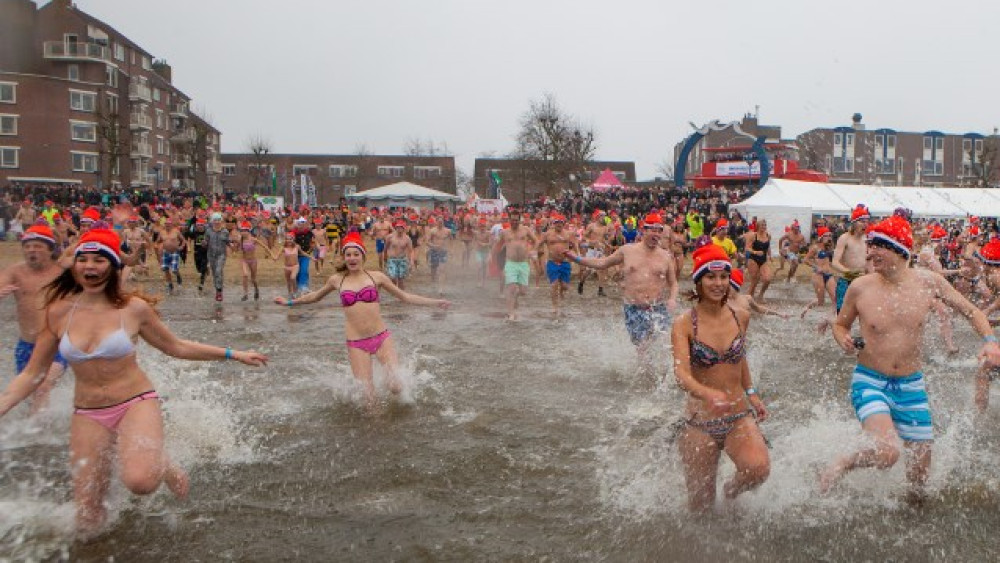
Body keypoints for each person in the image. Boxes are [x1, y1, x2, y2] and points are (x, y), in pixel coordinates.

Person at [0, 228, 268, 538]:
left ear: (113, 266)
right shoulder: (58, 312)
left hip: (134, 403)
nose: (89, 267)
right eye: (82, 260)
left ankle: (162, 463)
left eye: (99, 260)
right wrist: (4, 403)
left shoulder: (133, 309)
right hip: (87, 412)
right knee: (88, 517)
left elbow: (176, 347)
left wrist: (233, 354)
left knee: (140, 481)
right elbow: (33, 373)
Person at [818, 215, 1000, 502]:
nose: (870, 251)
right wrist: (843, 339)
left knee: (919, 482)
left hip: (911, 385)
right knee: (887, 453)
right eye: (870, 245)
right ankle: (845, 461)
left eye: (879, 246)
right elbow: (840, 324)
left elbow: (973, 312)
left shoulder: (929, 283)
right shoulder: (861, 287)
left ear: (900, 249)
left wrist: (990, 342)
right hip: (870, 381)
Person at [274, 233, 449, 412]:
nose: (352, 258)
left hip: (381, 338)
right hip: (357, 343)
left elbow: (405, 296)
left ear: (363, 256)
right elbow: (315, 296)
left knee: (396, 387)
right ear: (344, 257)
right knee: (368, 400)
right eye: (348, 254)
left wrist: (435, 303)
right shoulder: (337, 280)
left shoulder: (377, 277)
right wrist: (290, 302)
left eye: (356, 254)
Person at [671, 243, 769, 513]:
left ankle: (731, 492)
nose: (718, 283)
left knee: (758, 469)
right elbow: (680, 373)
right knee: (700, 509)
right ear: (699, 281)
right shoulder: (684, 323)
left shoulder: (741, 316)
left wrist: (751, 393)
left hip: (738, 415)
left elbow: (740, 360)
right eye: (710, 277)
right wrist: (707, 393)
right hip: (699, 422)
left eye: (724, 277)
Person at [566, 213, 679, 370]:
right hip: (633, 308)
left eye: (659, 231)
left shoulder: (665, 256)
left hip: (658, 308)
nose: (657, 234)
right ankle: (644, 376)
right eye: (653, 230)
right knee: (642, 347)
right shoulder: (627, 251)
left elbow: (673, 283)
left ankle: (653, 375)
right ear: (643, 230)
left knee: (659, 345)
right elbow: (603, 263)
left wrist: (672, 299)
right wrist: (577, 259)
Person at [0, 225, 69, 413]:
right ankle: (34, 433)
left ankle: (38, 433)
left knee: (44, 386)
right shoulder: (15, 272)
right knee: (27, 393)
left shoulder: (62, 272)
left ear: (50, 249)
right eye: (28, 246)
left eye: (38, 246)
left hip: (57, 344)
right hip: (27, 344)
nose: (32, 250)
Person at [537, 213, 579, 316]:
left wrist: (578, 256)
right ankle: (555, 306)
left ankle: (561, 292)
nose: (559, 225)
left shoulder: (568, 234)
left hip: (565, 262)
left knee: (565, 286)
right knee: (554, 285)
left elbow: (575, 244)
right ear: (553, 224)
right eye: (557, 223)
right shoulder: (547, 234)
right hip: (552, 262)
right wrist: (538, 252)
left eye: (560, 223)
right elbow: (539, 243)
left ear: (563, 223)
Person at [800, 227, 836, 318]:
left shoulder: (830, 247)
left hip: (829, 275)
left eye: (830, 236)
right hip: (818, 275)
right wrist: (816, 267)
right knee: (821, 302)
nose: (829, 238)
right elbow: (805, 260)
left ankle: (832, 318)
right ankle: (806, 307)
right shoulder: (815, 248)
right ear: (821, 237)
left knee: (836, 298)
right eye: (826, 236)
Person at [743, 219, 773, 303]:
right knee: (754, 281)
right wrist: (755, 252)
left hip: (763, 260)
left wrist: (770, 255)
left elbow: (768, 246)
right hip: (753, 259)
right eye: (762, 225)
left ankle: (760, 295)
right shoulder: (753, 235)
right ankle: (748, 298)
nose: (764, 227)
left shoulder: (768, 235)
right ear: (758, 226)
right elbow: (747, 248)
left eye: (765, 225)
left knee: (767, 279)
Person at [204, 212, 231, 302]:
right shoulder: (208, 231)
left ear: (221, 221)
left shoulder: (225, 231)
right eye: (215, 220)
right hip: (211, 255)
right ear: (212, 221)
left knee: (218, 271)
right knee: (215, 273)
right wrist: (204, 243)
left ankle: (219, 292)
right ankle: (218, 290)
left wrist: (233, 245)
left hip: (221, 255)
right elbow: (206, 241)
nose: (217, 222)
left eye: (218, 220)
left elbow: (228, 242)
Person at [384, 220, 415, 290]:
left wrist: (411, 261)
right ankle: (395, 291)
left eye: (401, 227)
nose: (399, 229)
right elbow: (385, 248)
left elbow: (411, 251)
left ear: (404, 228)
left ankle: (402, 295)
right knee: (393, 277)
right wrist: (385, 258)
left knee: (401, 279)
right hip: (392, 259)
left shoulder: (407, 239)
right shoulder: (390, 237)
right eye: (398, 227)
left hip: (402, 260)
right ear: (395, 228)